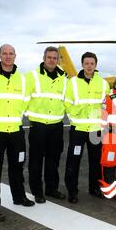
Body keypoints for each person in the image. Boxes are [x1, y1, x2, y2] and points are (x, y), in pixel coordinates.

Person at [0, 44, 35, 219]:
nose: (8, 56)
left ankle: (19, 197)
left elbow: (27, 102)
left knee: (17, 165)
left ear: (16, 56)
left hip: (16, 131)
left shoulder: (23, 80)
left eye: (11, 54)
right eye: (4, 54)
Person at [64, 52, 110, 204]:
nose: (89, 66)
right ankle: (72, 191)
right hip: (78, 129)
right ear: (82, 65)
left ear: (95, 65)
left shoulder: (103, 84)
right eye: (86, 63)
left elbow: (107, 105)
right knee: (73, 160)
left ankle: (95, 188)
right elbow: (67, 103)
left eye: (92, 63)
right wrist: (76, 114)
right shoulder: (73, 83)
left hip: (96, 130)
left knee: (96, 161)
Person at [26, 47, 67, 203]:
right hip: (38, 125)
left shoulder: (64, 78)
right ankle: (37, 191)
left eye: (54, 58)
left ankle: (51, 188)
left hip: (56, 125)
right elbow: (24, 98)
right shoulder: (32, 76)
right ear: (44, 58)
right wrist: (28, 116)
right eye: (49, 57)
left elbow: (67, 100)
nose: (51, 60)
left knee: (53, 159)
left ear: (58, 60)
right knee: (36, 160)